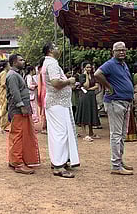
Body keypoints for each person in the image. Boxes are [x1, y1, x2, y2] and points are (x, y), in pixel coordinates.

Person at [94, 42, 135, 175]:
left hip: (124, 101)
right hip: (115, 102)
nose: (122, 52)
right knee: (116, 135)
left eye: (124, 49)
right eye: (119, 50)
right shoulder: (110, 64)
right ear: (113, 52)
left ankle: (119, 161)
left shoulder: (123, 64)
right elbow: (97, 74)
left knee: (122, 134)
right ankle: (116, 165)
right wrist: (109, 87)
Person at [43, 42, 79, 178]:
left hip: (58, 103)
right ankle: (58, 166)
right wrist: (69, 81)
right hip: (57, 103)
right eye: (56, 47)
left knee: (58, 132)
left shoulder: (50, 63)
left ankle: (59, 161)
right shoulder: (52, 64)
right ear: (51, 50)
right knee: (60, 133)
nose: (59, 49)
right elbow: (55, 83)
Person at [6, 54, 40, 174]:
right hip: (18, 110)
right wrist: (21, 106)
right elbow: (15, 93)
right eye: (21, 60)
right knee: (18, 135)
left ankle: (15, 160)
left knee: (20, 134)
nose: (23, 61)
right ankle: (18, 163)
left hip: (21, 109)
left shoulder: (16, 74)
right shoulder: (12, 75)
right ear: (14, 63)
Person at [75, 62, 101, 141]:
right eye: (87, 67)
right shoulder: (82, 76)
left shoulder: (93, 75)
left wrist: (90, 89)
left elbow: (97, 86)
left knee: (91, 113)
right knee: (84, 113)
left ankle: (91, 132)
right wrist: (86, 76)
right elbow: (85, 85)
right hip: (84, 97)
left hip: (91, 96)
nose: (89, 69)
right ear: (84, 68)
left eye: (90, 67)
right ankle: (85, 134)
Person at [0, 62, 10, 132]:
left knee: (6, 110)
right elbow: (3, 84)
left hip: (5, 93)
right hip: (4, 94)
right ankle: (2, 127)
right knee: (4, 110)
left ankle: (5, 126)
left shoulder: (5, 73)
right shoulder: (4, 73)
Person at [37, 57, 47, 134]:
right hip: (44, 91)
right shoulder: (42, 71)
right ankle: (44, 126)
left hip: (45, 91)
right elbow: (40, 84)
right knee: (44, 109)